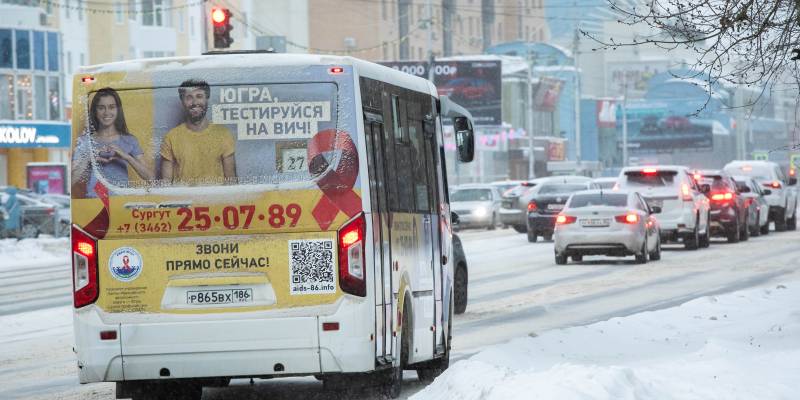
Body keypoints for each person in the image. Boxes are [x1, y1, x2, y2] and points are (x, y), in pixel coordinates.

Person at [71, 88, 153, 198]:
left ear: (118, 110)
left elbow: (151, 178)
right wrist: (89, 157)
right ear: (95, 111)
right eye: (101, 108)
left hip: (122, 203)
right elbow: (72, 180)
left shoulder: (129, 140)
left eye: (111, 107)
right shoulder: (85, 141)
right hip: (93, 204)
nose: (106, 112)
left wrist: (127, 157)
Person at [159, 79, 236, 185]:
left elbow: (232, 182)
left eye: (199, 96)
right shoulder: (171, 137)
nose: (194, 102)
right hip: (184, 200)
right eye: (189, 98)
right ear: (182, 101)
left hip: (216, 200)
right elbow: (165, 185)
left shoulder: (223, 134)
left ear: (206, 99)